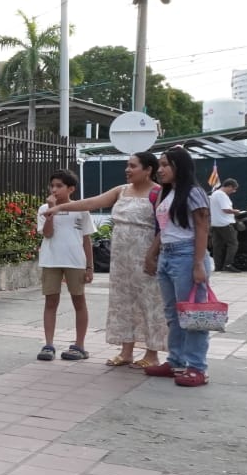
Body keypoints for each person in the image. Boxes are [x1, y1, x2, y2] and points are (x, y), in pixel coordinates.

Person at [48, 152, 166, 368]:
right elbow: (91, 203)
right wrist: (61, 206)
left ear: (148, 170)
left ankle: (152, 353)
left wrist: (152, 255)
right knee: (123, 302)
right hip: (121, 258)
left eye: (133, 166)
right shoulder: (121, 190)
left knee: (150, 303)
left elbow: (165, 226)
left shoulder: (158, 193)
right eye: (127, 166)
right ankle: (126, 351)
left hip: (146, 255)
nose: (127, 170)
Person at [146, 146, 214, 387]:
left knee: (193, 314)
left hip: (187, 255)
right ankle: (176, 361)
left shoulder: (194, 192)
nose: (160, 170)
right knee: (173, 315)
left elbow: (202, 228)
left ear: (180, 167)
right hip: (167, 254)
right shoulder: (166, 194)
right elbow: (164, 229)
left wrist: (198, 264)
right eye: (160, 165)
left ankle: (197, 367)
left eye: (166, 165)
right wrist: (152, 255)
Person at [34, 169, 95, 361]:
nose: (54, 189)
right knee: (51, 302)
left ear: (71, 189)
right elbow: (47, 234)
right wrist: (51, 212)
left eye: (59, 186)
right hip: (51, 260)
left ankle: (79, 345)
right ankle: (49, 344)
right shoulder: (44, 209)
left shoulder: (81, 209)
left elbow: (86, 240)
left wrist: (90, 267)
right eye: (52, 185)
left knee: (79, 301)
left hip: (75, 261)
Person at [207, 178, 239, 271]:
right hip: (225, 224)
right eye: (233, 189)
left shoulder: (215, 194)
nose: (233, 191)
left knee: (218, 246)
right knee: (233, 243)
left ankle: (218, 266)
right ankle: (228, 265)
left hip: (216, 224)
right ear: (229, 186)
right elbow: (225, 209)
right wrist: (236, 211)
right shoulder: (221, 195)